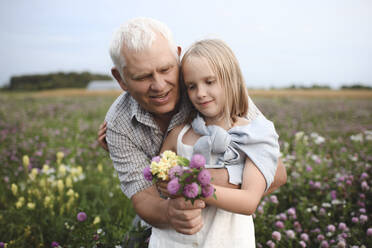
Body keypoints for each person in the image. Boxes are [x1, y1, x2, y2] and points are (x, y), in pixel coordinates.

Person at [100, 17, 287, 246]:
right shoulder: (119, 124)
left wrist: (198, 183)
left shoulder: (216, 93)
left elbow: (276, 174)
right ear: (120, 78)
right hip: (166, 227)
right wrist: (171, 211)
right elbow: (145, 194)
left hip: (225, 229)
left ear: (177, 56)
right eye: (143, 77)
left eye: (166, 69)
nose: (159, 85)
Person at [149, 39, 280, 247]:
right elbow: (159, 181)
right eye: (192, 86)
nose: (200, 93)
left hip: (227, 239)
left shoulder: (254, 135)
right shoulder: (179, 134)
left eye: (209, 82)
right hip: (174, 240)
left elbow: (248, 201)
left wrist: (195, 186)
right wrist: (163, 178)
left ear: (231, 80)